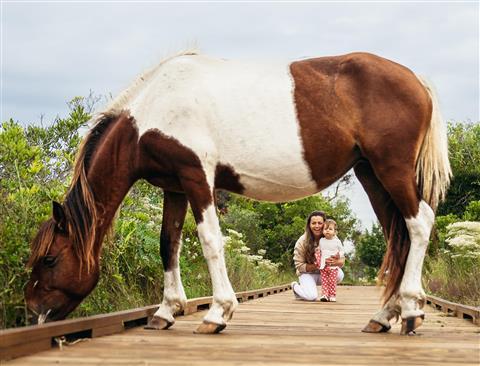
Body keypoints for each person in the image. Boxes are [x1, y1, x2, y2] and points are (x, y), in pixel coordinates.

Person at [292, 211, 345, 301]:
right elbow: (299, 266)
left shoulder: (332, 238)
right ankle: (295, 287)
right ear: (309, 225)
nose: (317, 226)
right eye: (313, 223)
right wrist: (318, 265)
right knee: (311, 297)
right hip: (307, 274)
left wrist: (335, 262)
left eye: (320, 223)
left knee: (339, 274)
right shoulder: (302, 241)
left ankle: (328, 294)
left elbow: (342, 261)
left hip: (325, 272)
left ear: (324, 224)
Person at [315, 219, 344, 302]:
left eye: (330, 229)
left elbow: (342, 251)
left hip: (333, 266)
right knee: (324, 281)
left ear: (334, 232)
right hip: (323, 265)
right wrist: (317, 252)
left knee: (332, 281)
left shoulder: (337, 241)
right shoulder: (321, 241)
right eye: (325, 229)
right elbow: (319, 250)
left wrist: (339, 255)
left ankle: (332, 295)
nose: (327, 230)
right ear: (323, 231)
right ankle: (325, 294)